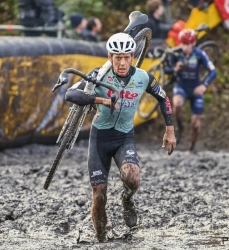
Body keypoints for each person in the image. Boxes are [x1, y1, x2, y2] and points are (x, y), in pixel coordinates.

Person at [65, 33, 176, 242]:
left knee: (132, 180)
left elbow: (163, 98)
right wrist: (102, 100)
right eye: (117, 58)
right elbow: (70, 95)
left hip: (124, 137)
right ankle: (101, 239)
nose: (122, 62)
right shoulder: (99, 75)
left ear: (132, 57)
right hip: (100, 139)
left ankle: (127, 200)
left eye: (126, 57)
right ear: (110, 57)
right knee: (99, 195)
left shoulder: (143, 77)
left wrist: (169, 130)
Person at [171, 28, 217, 153]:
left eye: (188, 44)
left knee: (196, 124)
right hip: (181, 86)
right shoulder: (176, 53)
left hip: (196, 88)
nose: (185, 47)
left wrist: (204, 85)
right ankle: (180, 127)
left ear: (193, 43)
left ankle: (192, 146)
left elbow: (213, 71)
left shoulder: (200, 54)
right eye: (183, 44)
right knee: (177, 104)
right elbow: (166, 70)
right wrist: (175, 69)